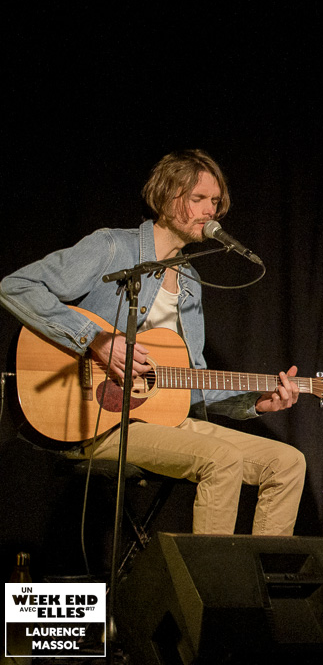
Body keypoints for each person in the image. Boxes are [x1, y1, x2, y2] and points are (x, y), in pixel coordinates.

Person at [0, 149, 307, 536]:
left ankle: (259, 574)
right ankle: (206, 576)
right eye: (198, 198)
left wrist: (255, 402)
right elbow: (16, 286)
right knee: (222, 458)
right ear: (165, 196)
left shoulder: (192, 283)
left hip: (163, 420)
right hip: (96, 422)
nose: (210, 211)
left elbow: (193, 381)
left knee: (287, 463)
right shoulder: (112, 248)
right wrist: (94, 339)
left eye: (215, 201)